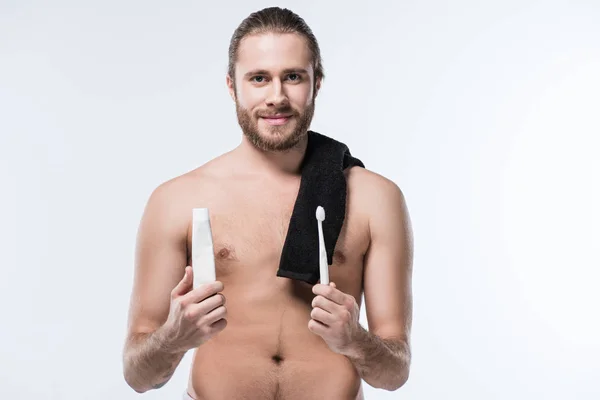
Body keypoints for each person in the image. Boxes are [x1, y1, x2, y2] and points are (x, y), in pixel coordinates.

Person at [122, 7, 413, 400]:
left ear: (317, 83)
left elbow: (394, 373)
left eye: (293, 77)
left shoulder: (376, 199)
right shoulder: (177, 200)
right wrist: (174, 337)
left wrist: (354, 340)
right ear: (232, 86)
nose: (276, 97)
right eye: (259, 78)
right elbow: (139, 376)